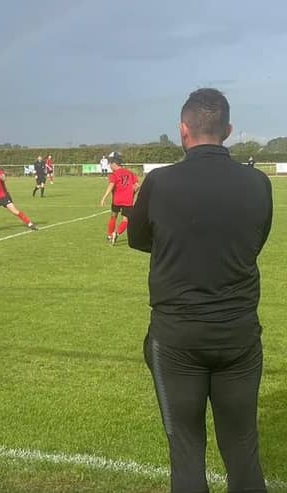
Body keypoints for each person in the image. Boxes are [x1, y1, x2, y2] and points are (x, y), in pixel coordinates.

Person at [128, 88, 272, 493]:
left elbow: (138, 239)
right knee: (243, 450)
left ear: (182, 130)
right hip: (239, 334)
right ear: (227, 130)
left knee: (187, 455)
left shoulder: (159, 182)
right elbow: (255, 241)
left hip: (176, 337)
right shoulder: (259, 183)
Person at [99, 151, 139, 245]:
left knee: (113, 216)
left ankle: (109, 235)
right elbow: (137, 186)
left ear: (114, 164)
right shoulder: (130, 173)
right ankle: (116, 234)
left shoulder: (114, 174)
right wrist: (132, 193)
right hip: (128, 200)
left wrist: (104, 197)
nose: (110, 166)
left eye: (110, 164)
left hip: (116, 200)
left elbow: (111, 185)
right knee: (126, 220)